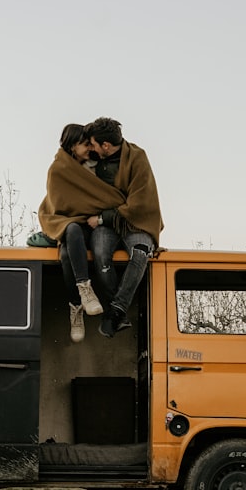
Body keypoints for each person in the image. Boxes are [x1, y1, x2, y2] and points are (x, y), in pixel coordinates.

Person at [83, 117, 163, 338]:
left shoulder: (138, 157)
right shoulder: (92, 160)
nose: (91, 148)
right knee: (99, 253)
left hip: (134, 220)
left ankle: (116, 310)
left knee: (140, 252)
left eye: (94, 144)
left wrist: (102, 219)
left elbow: (141, 200)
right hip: (105, 221)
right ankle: (119, 314)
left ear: (106, 146)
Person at [37, 124, 105, 342]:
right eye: (85, 145)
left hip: (90, 224)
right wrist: (81, 211)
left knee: (67, 252)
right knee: (71, 231)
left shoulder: (94, 165)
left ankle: (75, 306)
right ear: (72, 145)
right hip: (66, 221)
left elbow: (100, 194)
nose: (89, 149)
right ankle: (85, 292)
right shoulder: (58, 170)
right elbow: (59, 203)